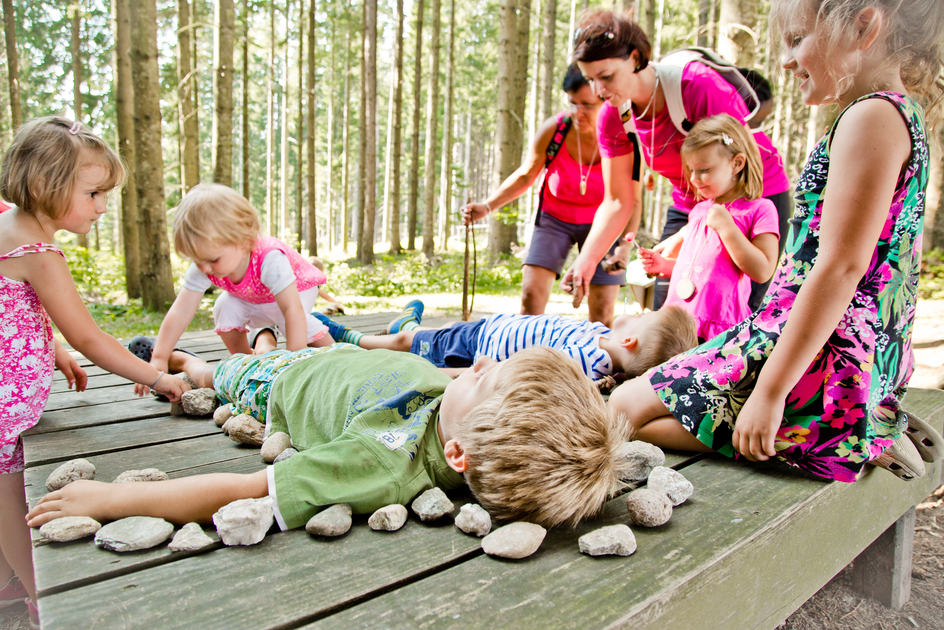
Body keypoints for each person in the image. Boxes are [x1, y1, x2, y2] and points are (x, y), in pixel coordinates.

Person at [607, 0, 944, 483]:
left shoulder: (871, 118)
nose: (785, 61)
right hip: (838, 352)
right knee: (649, 414)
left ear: (865, 27)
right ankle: (855, 427)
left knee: (623, 404)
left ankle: (847, 431)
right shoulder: (898, 114)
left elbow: (841, 269)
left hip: (811, 356)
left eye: (796, 40)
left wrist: (769, 392)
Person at [26, 344, 631, 532]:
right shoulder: (458, 412)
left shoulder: (380, 463)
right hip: (327, 356)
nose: (471, 366)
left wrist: (111, 501)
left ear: (456, 453)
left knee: (226, 371)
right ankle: (235, 348)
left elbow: (243, 489)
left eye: (482, 377)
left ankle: (192, 368)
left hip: (281, 383)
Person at [0, 117, 190, 626]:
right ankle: (43, 598)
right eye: (94, 193)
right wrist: (157, 377)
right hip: (4, 416)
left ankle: (7, 582)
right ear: (43, 186)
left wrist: (49, 344)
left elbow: (14, 308)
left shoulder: (7, 226)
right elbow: (91, 337)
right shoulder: (38, 252)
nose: (103, 206)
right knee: (11, 502)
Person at [561, 10, 791, 313]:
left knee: (732, 311)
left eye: (606, 77)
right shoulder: (613, 117)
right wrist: (586, 260)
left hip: (751, 198)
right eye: (591, 80)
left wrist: (719, 229)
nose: (599, 91)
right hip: (693, 206)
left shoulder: (697, 86)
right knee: (668, 315)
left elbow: (746, 165)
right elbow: (618, 200)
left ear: (634, 58)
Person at [460, 64, 638, 328]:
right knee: (531, 297)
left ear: (606, 99)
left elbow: (631, 201)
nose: (578, 112)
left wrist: (624, 246)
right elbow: (526, 174)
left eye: (587, 105)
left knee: (601, 313)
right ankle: (528, 363)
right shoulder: (555, 130)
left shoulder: (623, 137)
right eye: (572, 103)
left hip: (604, 225)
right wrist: (488, 206)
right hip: (555, 218)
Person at [135, 183, 333, 387]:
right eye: (196, 260)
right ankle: (247, 362)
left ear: (245, 240)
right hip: (254, 295)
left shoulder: (270, 260)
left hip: (298, 291)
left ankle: (339, 353)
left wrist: (292, 362)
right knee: (224, 306)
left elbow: (293, 310)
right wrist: (158, 357)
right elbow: (181, 312)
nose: (204, 269)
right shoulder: (207, 262)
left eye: (212, 260)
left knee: (291, 322)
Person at [638, 115, 780, 342]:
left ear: (737, 163)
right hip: (677, 323)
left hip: (718, 329)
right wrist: (664, 265)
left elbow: (763, 270)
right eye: (691, 170)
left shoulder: (760, 209)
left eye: (703, 169)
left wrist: (728, 229)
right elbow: (698, 267)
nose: (694, 178)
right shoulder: (699, 210)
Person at [316, 301, 697, 382]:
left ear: (630, 339)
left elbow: (512, 369)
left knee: (411, 342)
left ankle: (353, 339)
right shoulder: (601, 338)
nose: (639, 310)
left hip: (478, 347)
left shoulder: (586, 359)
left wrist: (453, 374)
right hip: (490, 329)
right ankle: (408, 323)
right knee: (433, 333)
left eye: (648, 315)